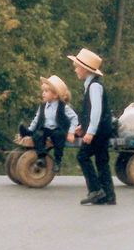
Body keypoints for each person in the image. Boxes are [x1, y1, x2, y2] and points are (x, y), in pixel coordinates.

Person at [67, 49, 116, 206]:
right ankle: (108, 195)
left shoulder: (94, 86)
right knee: (102, 161)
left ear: (85, 69)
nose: (75, 70)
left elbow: (96, 111)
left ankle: (95, 190)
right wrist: (84, 126)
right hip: (103, 129)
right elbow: (90, 112)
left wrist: (90, 131)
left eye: (77, 67)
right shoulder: (92, 85)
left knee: (83, 156)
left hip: (99, 131)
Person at [21, 75, 77, 173]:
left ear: (55, 95)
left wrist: (71, 132)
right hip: (45, 129)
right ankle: (41, 157)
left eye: (46, 91)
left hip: (57, 129)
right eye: (43, 91)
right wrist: (30, 129)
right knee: (38, 134)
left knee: (58, 137)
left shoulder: (63, 106)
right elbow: (37, 119)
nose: (43, 94)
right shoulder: (42, 106)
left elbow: (74, 118)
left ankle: (57, 161)